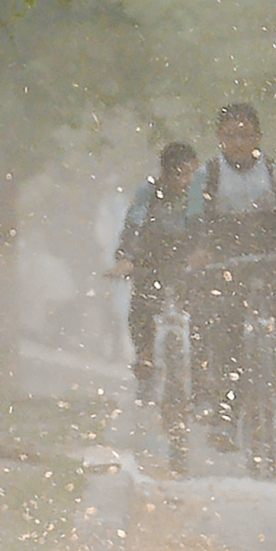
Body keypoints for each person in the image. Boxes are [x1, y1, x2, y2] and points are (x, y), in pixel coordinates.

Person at [186, 104, 276, 431]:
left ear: (258, 137)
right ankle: (225, 410)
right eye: (230, 135)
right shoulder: (209, 174)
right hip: (224, 254)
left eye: (245, 135)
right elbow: (196, 216)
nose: (238, 142)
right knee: (227, 328)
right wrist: (200, 248)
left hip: (269, 248)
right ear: (219, 137)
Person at [111, 141, 199, 403]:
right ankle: (145, 362)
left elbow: (212, 229)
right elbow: (133, 224)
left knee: (207, 312)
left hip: (190, 263)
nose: (184, 181)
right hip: (152, 260)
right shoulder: (148, 194)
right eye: (178, 174)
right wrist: (126, 257)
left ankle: (205, 375)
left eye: (190, 173)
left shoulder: (201, 195)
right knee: (141, 311)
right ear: (164, 173)